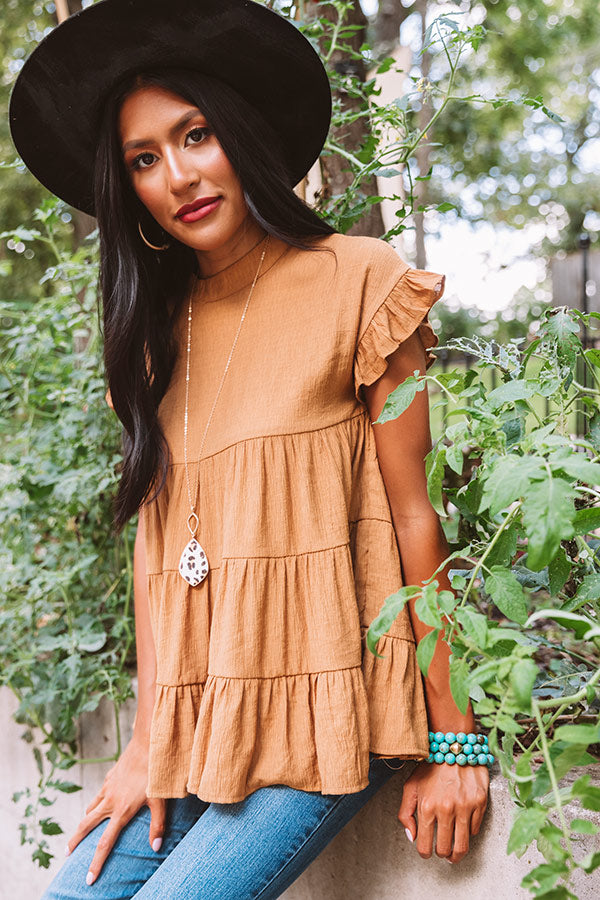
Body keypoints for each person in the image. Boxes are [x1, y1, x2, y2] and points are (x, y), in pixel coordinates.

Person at [9, 1, 489, 897]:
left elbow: (415, 516)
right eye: (144, 159)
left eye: (195, 135)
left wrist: (454, 738)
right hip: (202, 722)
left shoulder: (360, 278)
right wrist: (145, 742)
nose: (179, 174)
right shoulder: (152, 339)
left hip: (330, 714)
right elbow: (156, 559)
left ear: (239, 134)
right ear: (130, 191)